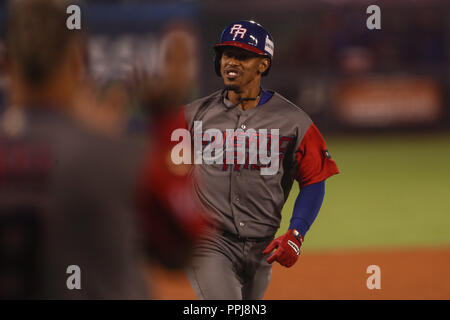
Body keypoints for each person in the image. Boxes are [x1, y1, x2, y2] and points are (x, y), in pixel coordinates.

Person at [0, 0, 204, 299]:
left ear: (6, 65)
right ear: (77, 61)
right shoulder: (116, 159)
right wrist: (167, 115)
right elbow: (184, 246)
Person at [182, 20, 339, 300]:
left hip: (262, 250)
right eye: (227, 54)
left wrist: (297, 232)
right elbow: (160, 170)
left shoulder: (294, 121)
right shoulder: (192, 116)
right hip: (209, 244)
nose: (231, 61)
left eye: (242, 56)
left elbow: (315, 179)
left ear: (263, 65)